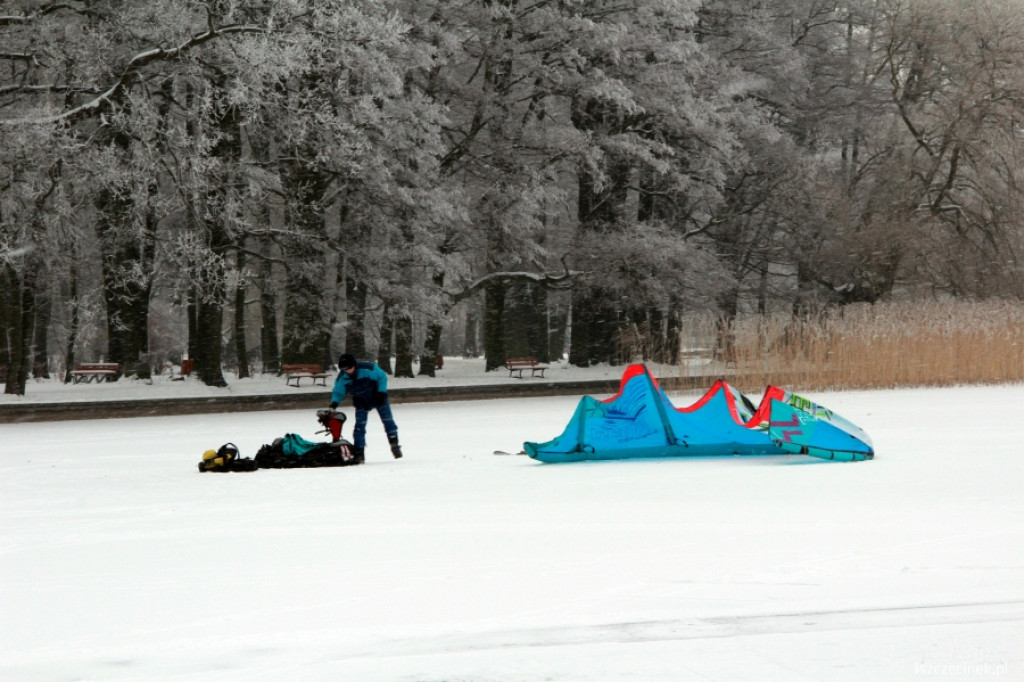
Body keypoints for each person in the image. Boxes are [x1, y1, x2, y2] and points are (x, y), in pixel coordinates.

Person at [329, 353, 402, 462]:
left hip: (378, 397)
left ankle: (394, 445)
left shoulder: (367, 368)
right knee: (359, 427)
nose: (348, 371)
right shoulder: (342, 378)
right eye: (344, 369)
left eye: (349, 368)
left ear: (354, 365)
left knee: (388, 422)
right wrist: (334, 403)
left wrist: (381, 392)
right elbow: (338, 392)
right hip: (361, 401)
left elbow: (382, 377)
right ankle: (359, 453)